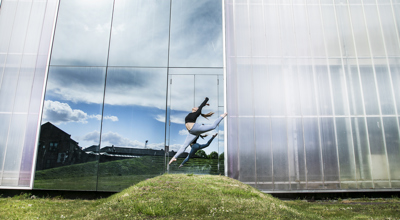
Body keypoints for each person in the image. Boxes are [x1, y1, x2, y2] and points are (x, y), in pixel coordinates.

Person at [169, 97, 227, 165]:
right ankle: (174, 157)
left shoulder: (197, 112)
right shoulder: (192, 113)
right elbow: (201, 106)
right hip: (192, 132)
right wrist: (205, 104)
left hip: (195, 128)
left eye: (196, 107)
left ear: (197, 110)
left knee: (213, 126)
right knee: (184, 146)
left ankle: (222, 116)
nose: (195, 107)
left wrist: (206, 99)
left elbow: (201, 106)